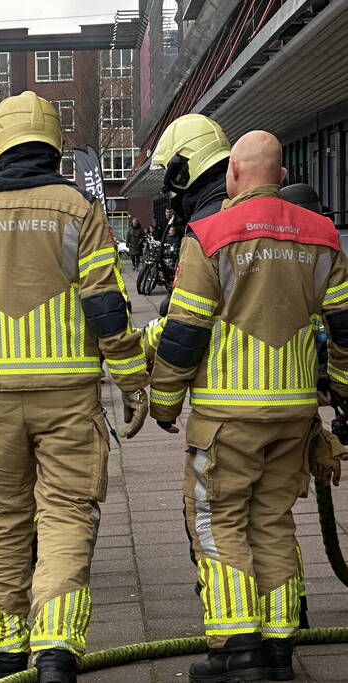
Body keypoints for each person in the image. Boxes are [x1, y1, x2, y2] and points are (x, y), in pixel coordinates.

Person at [0, 91, 148, 683]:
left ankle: (3, 656)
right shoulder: (80, 210)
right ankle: (55, 655)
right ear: (53, 146)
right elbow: (107, 310)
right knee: (68, 516)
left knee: (2, 522)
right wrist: (132, 382)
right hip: (69, 402)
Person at [149, 131, 348, 683]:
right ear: (282, 178)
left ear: (233, 175)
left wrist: (164, 402)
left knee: (218, 522)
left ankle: (237, 648)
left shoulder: (209, 235)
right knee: (275, 521)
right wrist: (344, 394)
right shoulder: (323, 236)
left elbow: (185, 332)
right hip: (293, 413)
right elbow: (345, 328)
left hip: (227, 417)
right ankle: (280, 651)